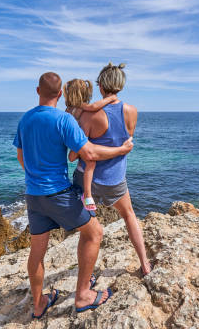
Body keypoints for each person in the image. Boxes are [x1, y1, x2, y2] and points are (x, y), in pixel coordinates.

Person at [13, 72, 133, 319]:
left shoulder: (25, 120)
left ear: (37, 91)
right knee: (94, 233)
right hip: (57, 193)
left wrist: (36, 177)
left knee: (37, 252)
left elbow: (20, 156)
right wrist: (120, 149)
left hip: (33, 195)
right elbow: (88, 153)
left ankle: (39, 304)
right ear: (59, 94)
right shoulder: (64, 120)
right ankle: (83, 296)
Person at [69, 63, 152, 276]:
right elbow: (126, 144)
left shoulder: (89, 116)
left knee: (88, 232)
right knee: (129, 215)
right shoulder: (132, 112)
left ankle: (85, 275)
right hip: (115, 178)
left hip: (86, 179)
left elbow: (79, 153)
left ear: (101, 86)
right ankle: (145, 264)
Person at [63, 79, 117, 211]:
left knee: (76, 158)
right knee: (91, 162)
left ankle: (87, 196)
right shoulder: (84, 107)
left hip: (74, 142)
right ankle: (87, 195)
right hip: (81, 141)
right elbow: (95, 106)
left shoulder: (68, 110)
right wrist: (111, 98)